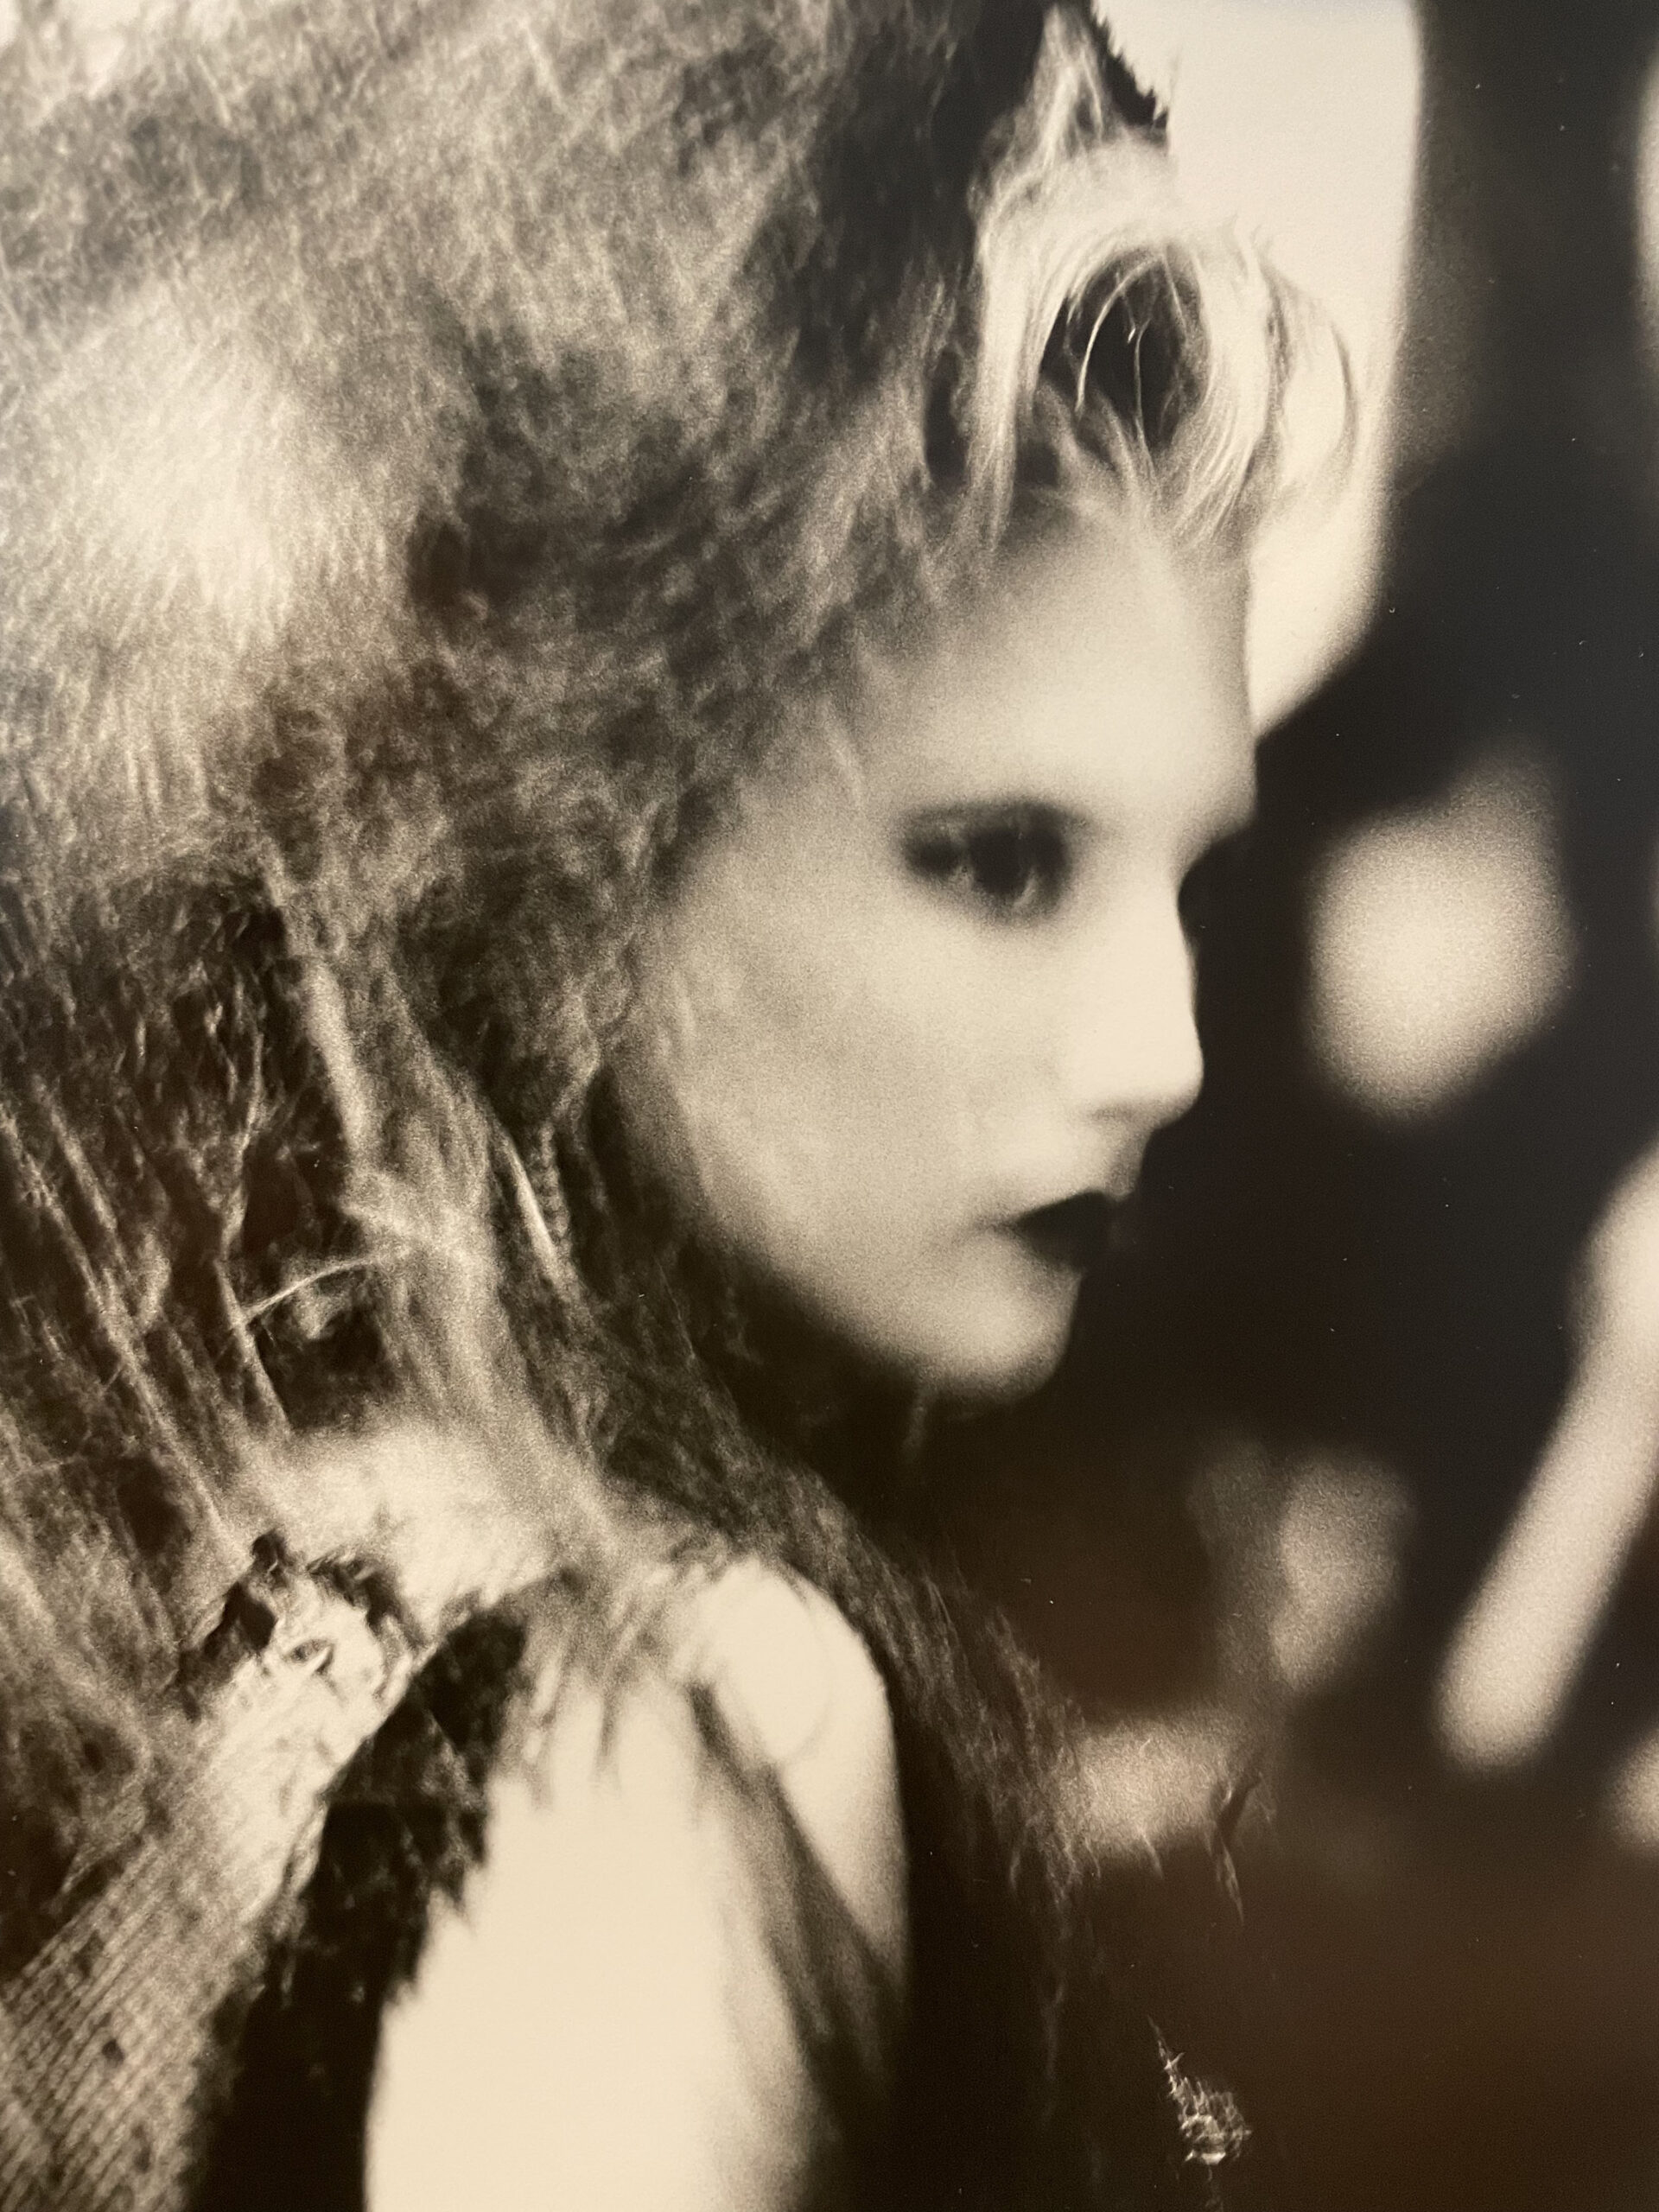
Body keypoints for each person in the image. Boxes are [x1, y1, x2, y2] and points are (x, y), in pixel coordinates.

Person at [0, 1, 1331, 2204]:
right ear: (570, 866)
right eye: (1000, 862)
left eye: (1192, 878)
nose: (1163, 1046)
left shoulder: (243, 1537)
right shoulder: (691, 1704)